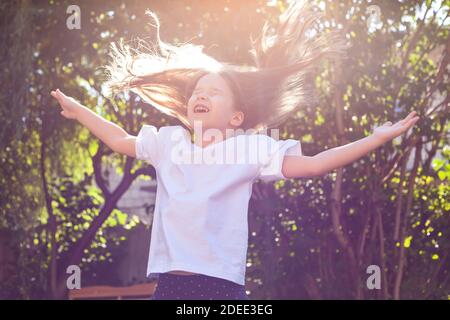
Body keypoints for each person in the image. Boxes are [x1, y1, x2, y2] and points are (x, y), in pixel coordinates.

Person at [50, 1, 419, 300]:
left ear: (236, 116)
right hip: (169, 286)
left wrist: (376, 138)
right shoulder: (168, 144)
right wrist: (80, 110)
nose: (201, 95)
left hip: (219, 288)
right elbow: (118, 139)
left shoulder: (248, 149)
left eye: (213, 92)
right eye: (197, 91)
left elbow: (314, 165)